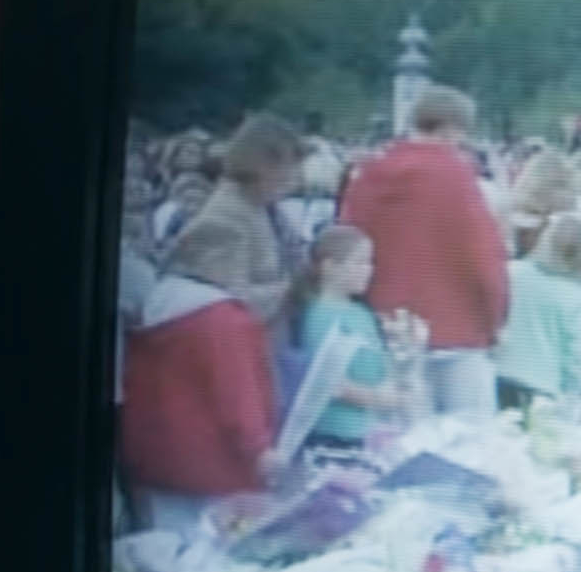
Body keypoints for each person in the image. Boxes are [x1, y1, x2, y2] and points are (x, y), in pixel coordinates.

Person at [340, 84, 511, 418]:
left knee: (396, 446)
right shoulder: (456, 175)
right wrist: (496, 321)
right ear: (453, 128)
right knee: (466, 448)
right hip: (459, 327)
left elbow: (346, 240)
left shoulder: (368, 173)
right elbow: (484, 258)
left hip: (388, 326)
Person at [119, 270, 280, 518]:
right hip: (215, 473)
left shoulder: (151, 314)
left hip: (154, 466)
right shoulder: (222, 319)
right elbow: (238, 395)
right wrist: (260, 450)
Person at [163, 111, 305, 329]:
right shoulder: (222, 220)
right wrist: (290, 288)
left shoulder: (262, 205)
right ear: (260, 164)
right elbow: (230, 305)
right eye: (289, 167)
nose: (294, 178)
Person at [287, 222, 404, 455]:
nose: (368, 270)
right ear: (329, 267)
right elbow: (330, 382)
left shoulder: (362, 313)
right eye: (360, 262)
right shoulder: (320, 315)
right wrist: (379, 398)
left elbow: (380, 363)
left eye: (370, 262)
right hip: (335, 435)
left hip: (370, 432)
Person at [493, 211, 581, 417]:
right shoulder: (578, 298)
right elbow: (576, 358)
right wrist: (573, 399)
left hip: (498, 376)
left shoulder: (510, 272)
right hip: (543, 391)